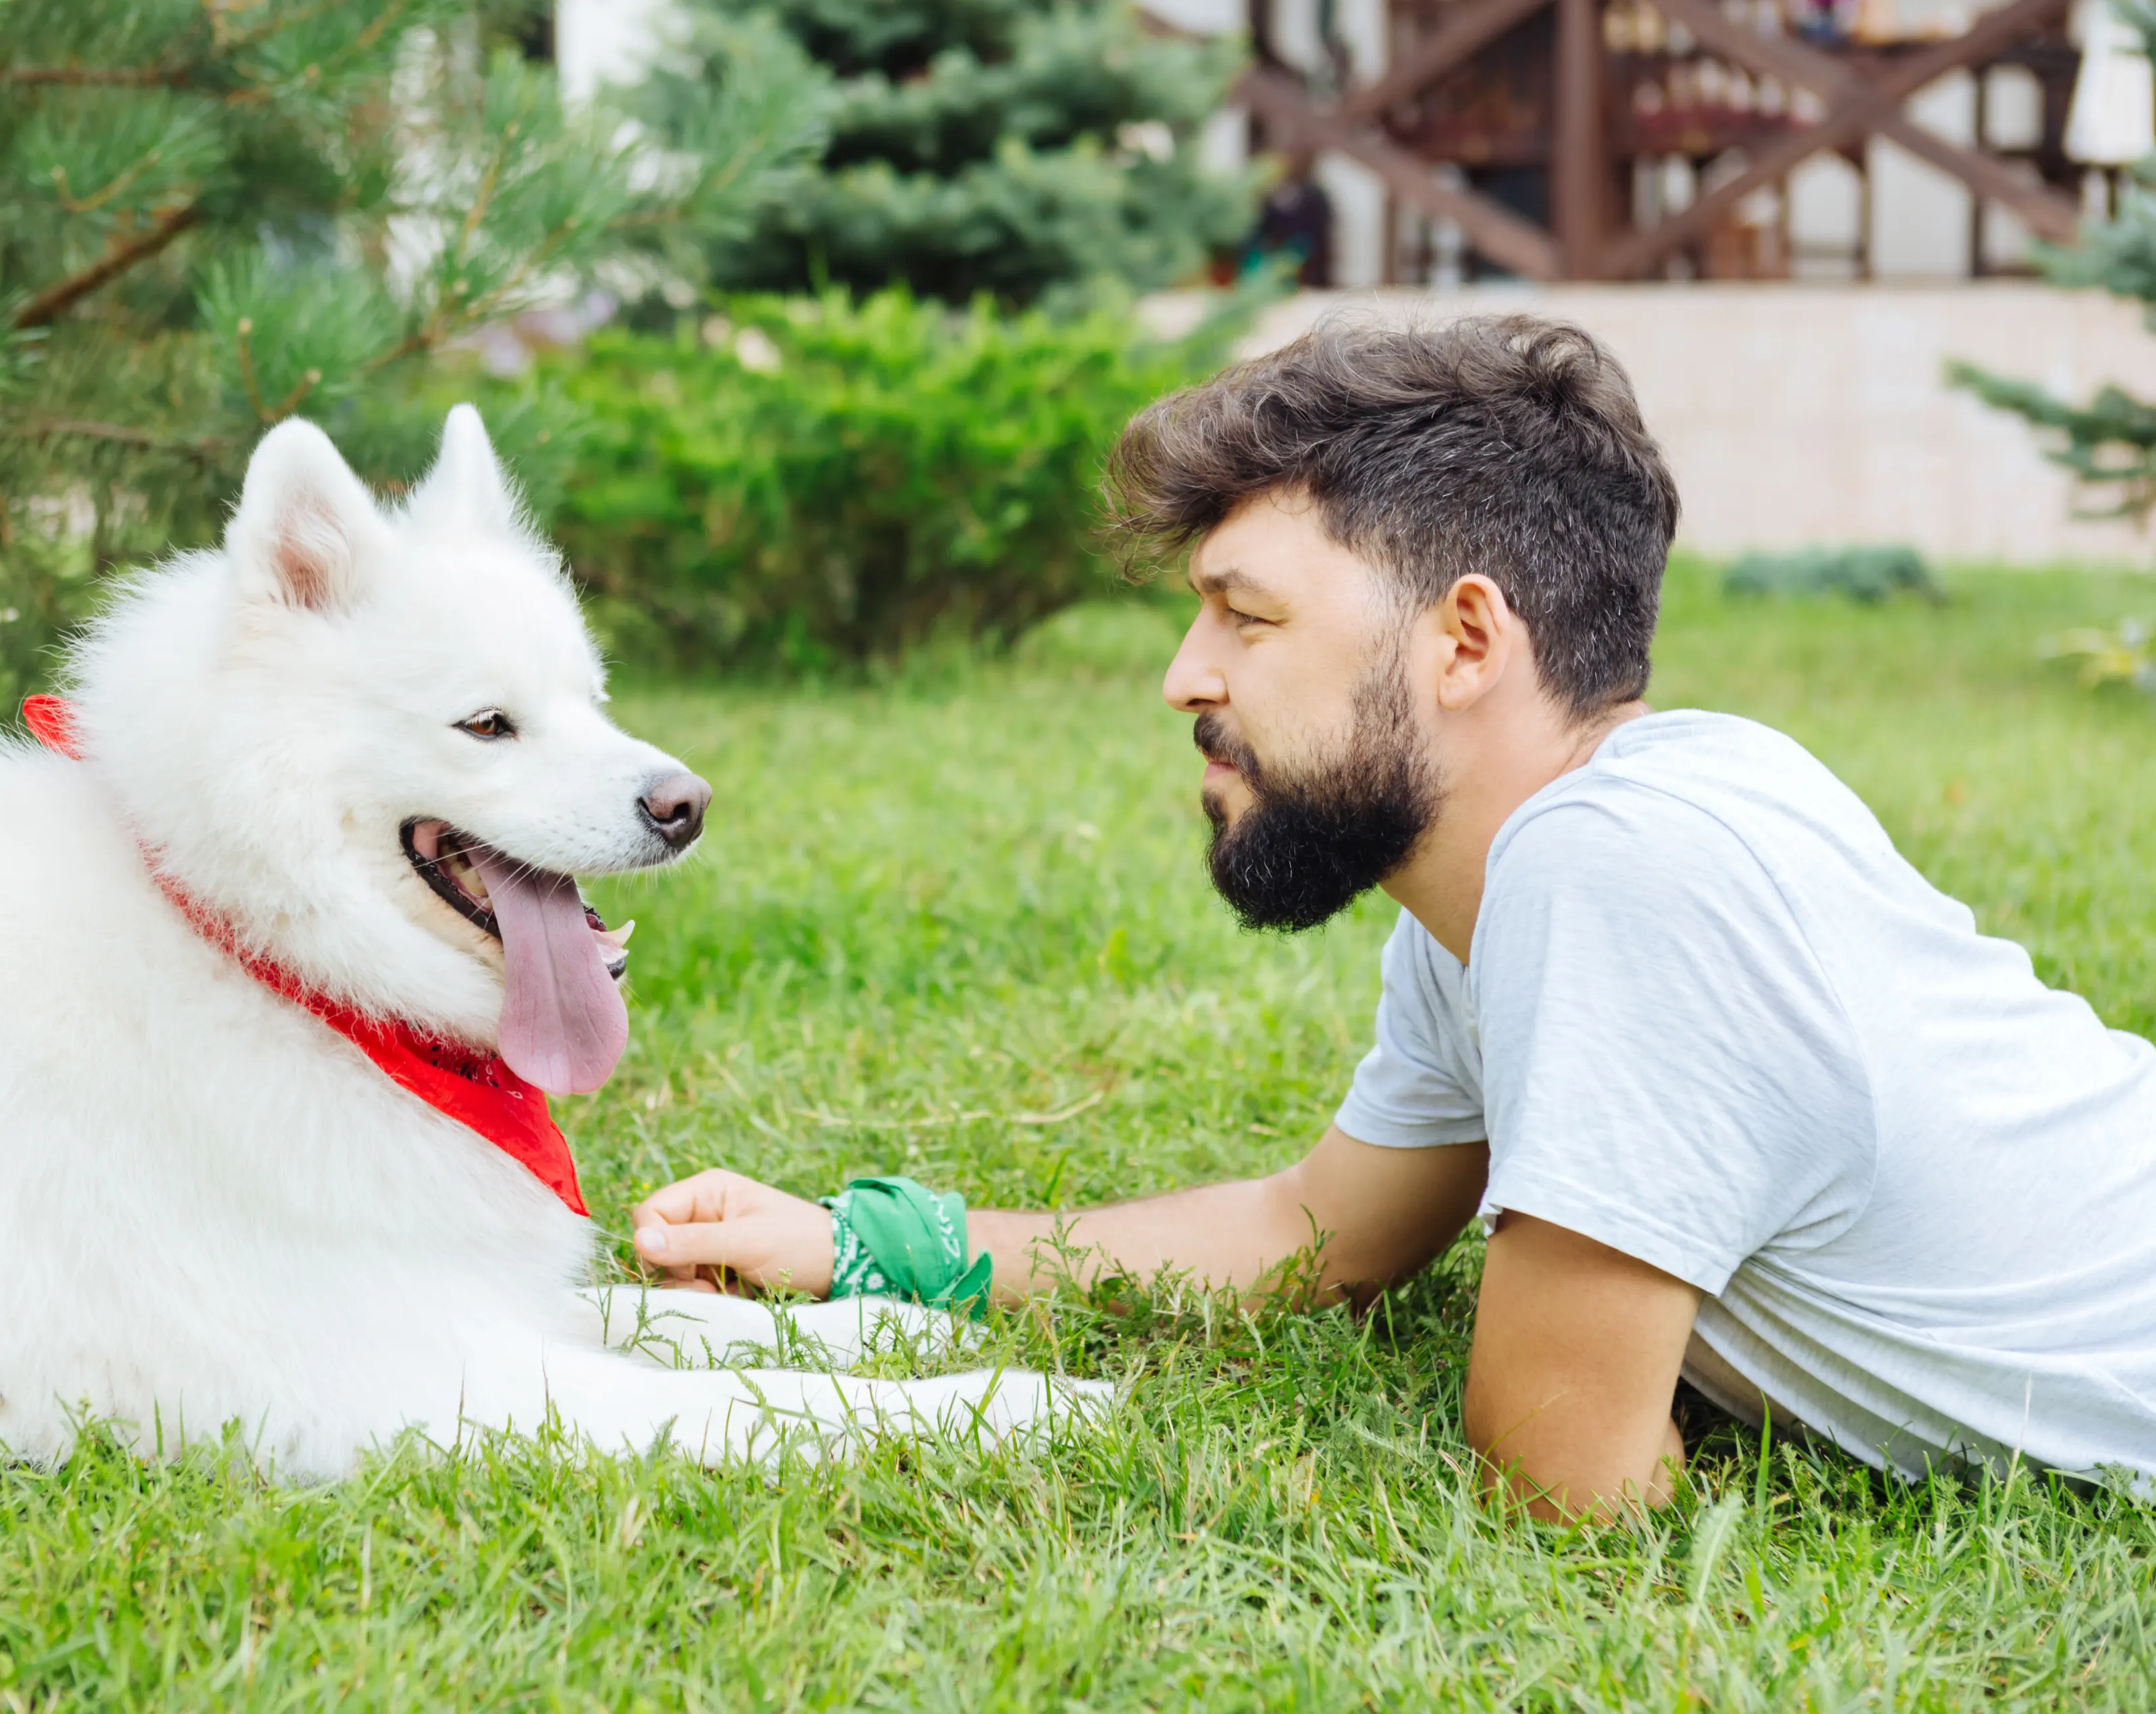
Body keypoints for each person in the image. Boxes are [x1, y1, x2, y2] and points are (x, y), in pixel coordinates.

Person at [628, 315, 2156, 1519]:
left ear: (1467, 637)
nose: (1186, 674)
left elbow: (1563, 1475)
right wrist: (872, 1244)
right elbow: (1319, 1240)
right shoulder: (1513, 878)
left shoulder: (1623, 866)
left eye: (1251, 614)